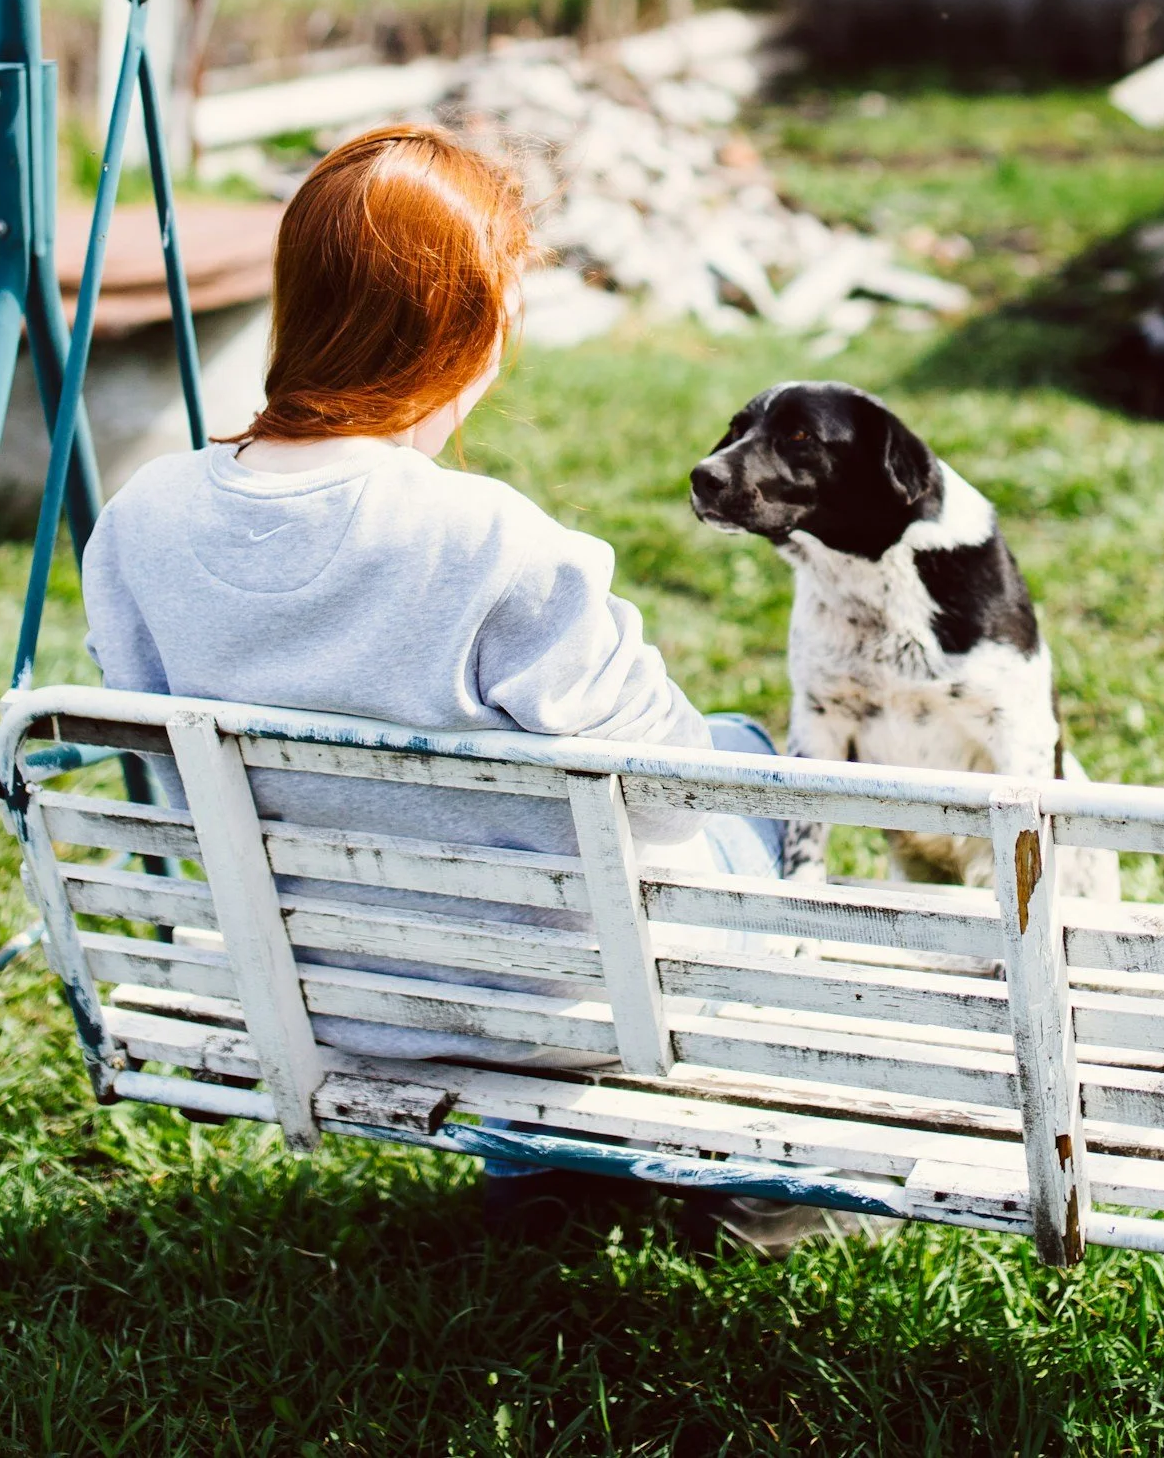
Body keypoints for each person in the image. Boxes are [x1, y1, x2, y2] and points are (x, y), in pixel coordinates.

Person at [82, 123, 833, 1251]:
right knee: (743, 768)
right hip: (558, 1004)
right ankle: (745, 1176)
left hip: (324, 983)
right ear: (470, 330)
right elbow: (671, 791)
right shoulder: (489, 541)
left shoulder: (140, 518)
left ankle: (541, 1174)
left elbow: (158, 762)